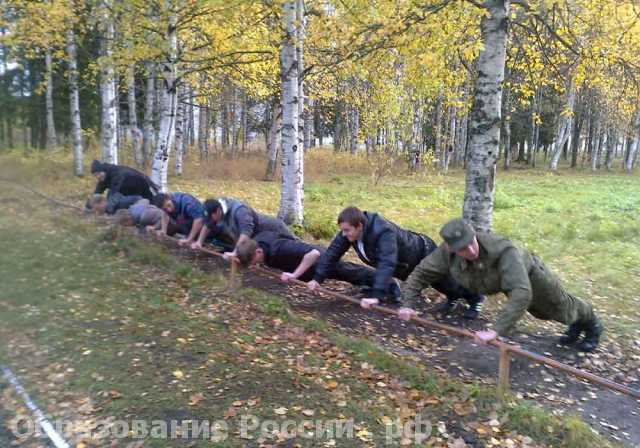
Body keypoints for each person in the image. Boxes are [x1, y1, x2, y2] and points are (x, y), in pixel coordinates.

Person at [398, 218, 603, 352]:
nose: (470, 250)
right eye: (462, 248)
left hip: (529, 274)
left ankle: (592, 323)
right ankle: (576, 325)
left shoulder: (504, 250)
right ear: (451, 248)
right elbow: (421, 273)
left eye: (472, 242)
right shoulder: (445, 252)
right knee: (542, 312)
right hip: (497, 280)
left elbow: (522, 292)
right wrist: (408, 303)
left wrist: (496, 330)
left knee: (560, 308)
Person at [309, 207, 484, 317]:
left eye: (346, 230)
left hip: (422, 252)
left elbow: (386, 262)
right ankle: (452, 298)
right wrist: (317, 278)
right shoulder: (349, 233)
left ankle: (476, 298)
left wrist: (377, 295)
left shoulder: (383, 232)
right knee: (440, 284)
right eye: (342, 231)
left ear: (359, 226)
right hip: (407, 265)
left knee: (447, 280)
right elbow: (332, 253)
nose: (344, 235)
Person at [235, 231, 401, 301]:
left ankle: (390, 284)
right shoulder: (260, 243)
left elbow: (313, 254)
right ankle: (373, 286)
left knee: (350, 272)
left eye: (252, 263)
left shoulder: (280, 248)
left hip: (321, 260)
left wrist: (294, 275)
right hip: (309, 267)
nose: (252, 266)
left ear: (257, 252)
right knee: (351, 276)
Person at [191, 198, 295, 258]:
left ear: (218, 211)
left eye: (211, 217)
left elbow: (245, 234)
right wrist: (199, 242)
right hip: (258, 237)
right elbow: (208, 225)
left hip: (272, 228)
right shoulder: (215, 209)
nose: (211, 221)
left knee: (293, 247)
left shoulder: (240, 211)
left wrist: (235, 252)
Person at [91, 160, 158, 214]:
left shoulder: (116, 173)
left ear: (103, 170)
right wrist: (89, 206)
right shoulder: (104, 177)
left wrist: (107, 209)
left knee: (154, 204)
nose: (98, 176)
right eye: (95, 175)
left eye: (99, 173)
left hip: (143, 185)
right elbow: (97, 193)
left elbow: (114, 193)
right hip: (130, 190)